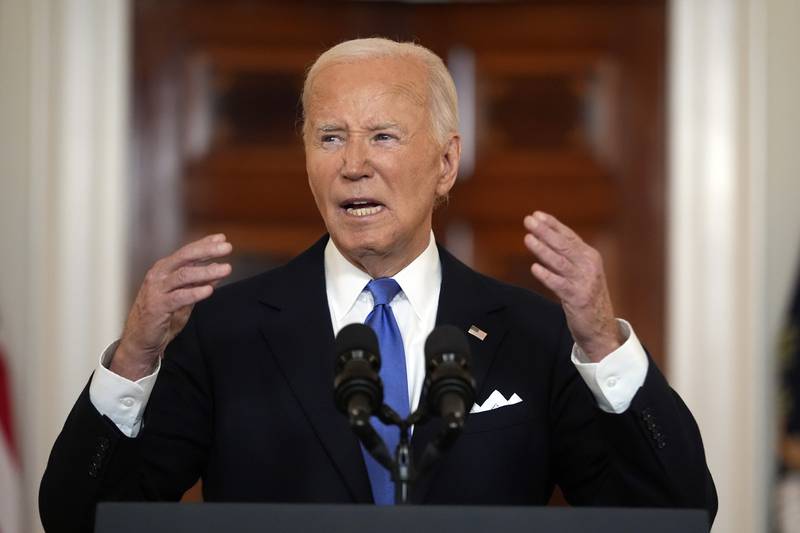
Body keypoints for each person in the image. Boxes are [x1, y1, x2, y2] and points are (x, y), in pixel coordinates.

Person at [39, 38, 717, 532]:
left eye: (383, 135)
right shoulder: (227, 331)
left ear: (446, 162)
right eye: (330, 137)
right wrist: (133, 358)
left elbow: (676, 512)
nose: (354, 165)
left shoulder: (532, 333)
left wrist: (603, 341)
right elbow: (79, 517)